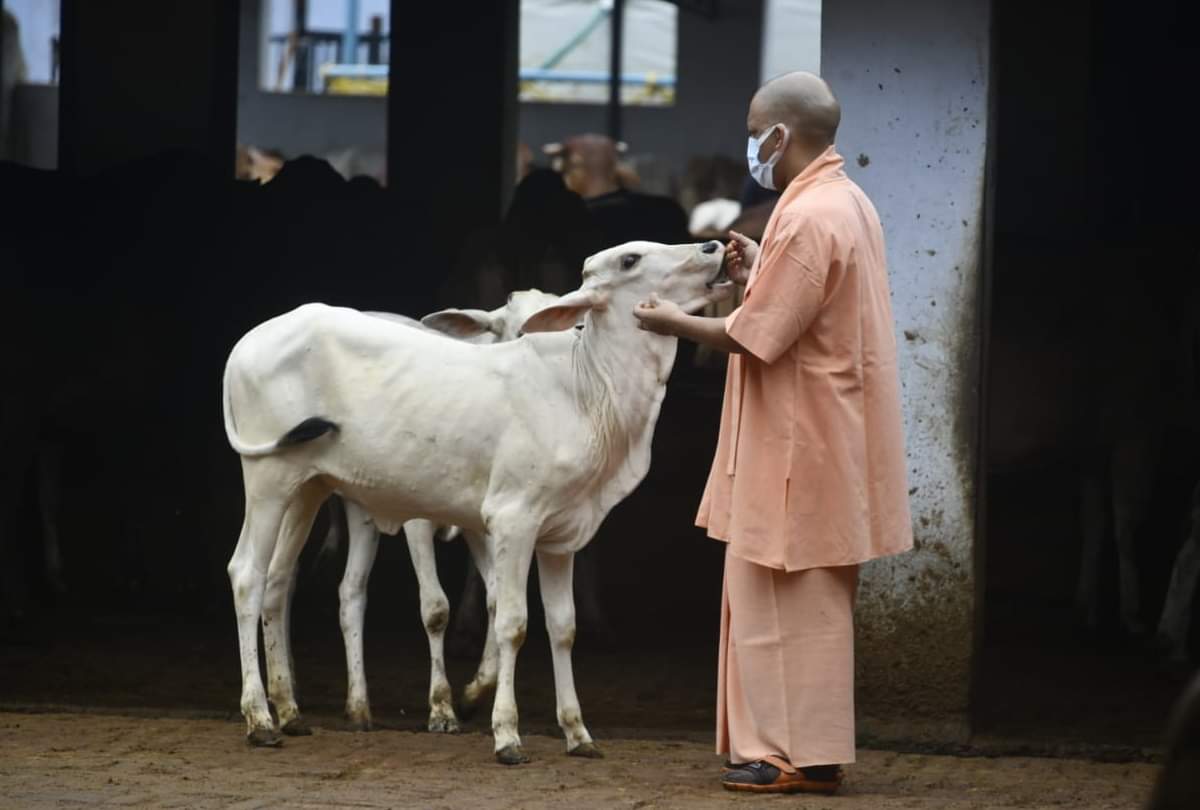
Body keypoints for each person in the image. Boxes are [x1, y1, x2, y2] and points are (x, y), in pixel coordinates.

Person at [632, 71, 913, 795]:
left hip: (795, 442)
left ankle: (782, 752)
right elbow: (807, 303)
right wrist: (760, 264)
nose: (753, 142)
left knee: (773, 600)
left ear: (780, 136)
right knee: (813, 604)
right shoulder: (842, 201)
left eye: (757, 129)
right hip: (823, 436)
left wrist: (669, 322)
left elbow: (756, 336)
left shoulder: (809, 215)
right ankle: (810, 752)